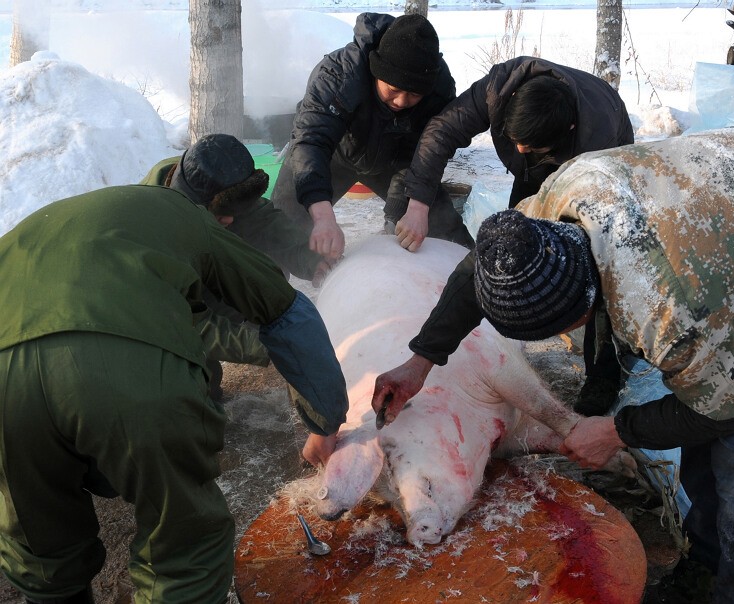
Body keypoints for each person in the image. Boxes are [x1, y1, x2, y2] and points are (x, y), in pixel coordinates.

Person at [370, 127, 734, 602]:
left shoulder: (664, 303)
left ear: (584, 306)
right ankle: (706, 563)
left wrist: (616, 431)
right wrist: (421, 361)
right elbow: (477, 271)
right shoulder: (550, 217)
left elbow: (726, 410)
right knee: (706, 438)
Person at [0, 173, 349, 601]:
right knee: (183, 547)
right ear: (214, 210)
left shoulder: (69, 215)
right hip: (124, 377)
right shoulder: (192, 218)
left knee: (41, 541)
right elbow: (287, 315)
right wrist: (324, 419)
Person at [397, 55, 636, 416]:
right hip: (540, 163)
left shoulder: (595, 143)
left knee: (601, 264)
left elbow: (594, 238)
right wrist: (419, 201)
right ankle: (514, 314)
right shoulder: (501, 87)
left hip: (594, 166)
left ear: (566, 131)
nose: (519, 151)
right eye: (514, 141)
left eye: (530, 147)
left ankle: (604, 372)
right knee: (509, 252)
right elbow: (442, 130)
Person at [270, 12, 473, 268]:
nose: (401, 101)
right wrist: (322, 215)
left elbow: (428, 150)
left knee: (447, 231)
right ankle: (273, 295)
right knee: (278, 227)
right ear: (376, 72)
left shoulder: (438, 86)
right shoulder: (338, 74)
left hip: (396, 161)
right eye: (393, 90)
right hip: (333, 155)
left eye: (413, 95)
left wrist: (408, 206)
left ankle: (477, 289)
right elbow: (311, 142)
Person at [142, 133, 328, 400]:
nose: (230, 219)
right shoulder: (154, 231)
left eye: (234, 210)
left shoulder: (217, 182)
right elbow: (185, 323)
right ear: (190, 204)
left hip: (208, 270)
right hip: (169, 311)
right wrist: (264, 347)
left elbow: (264, 220)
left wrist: (310, 258)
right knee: (192, 390)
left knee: (269, 281)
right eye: (219, 213)